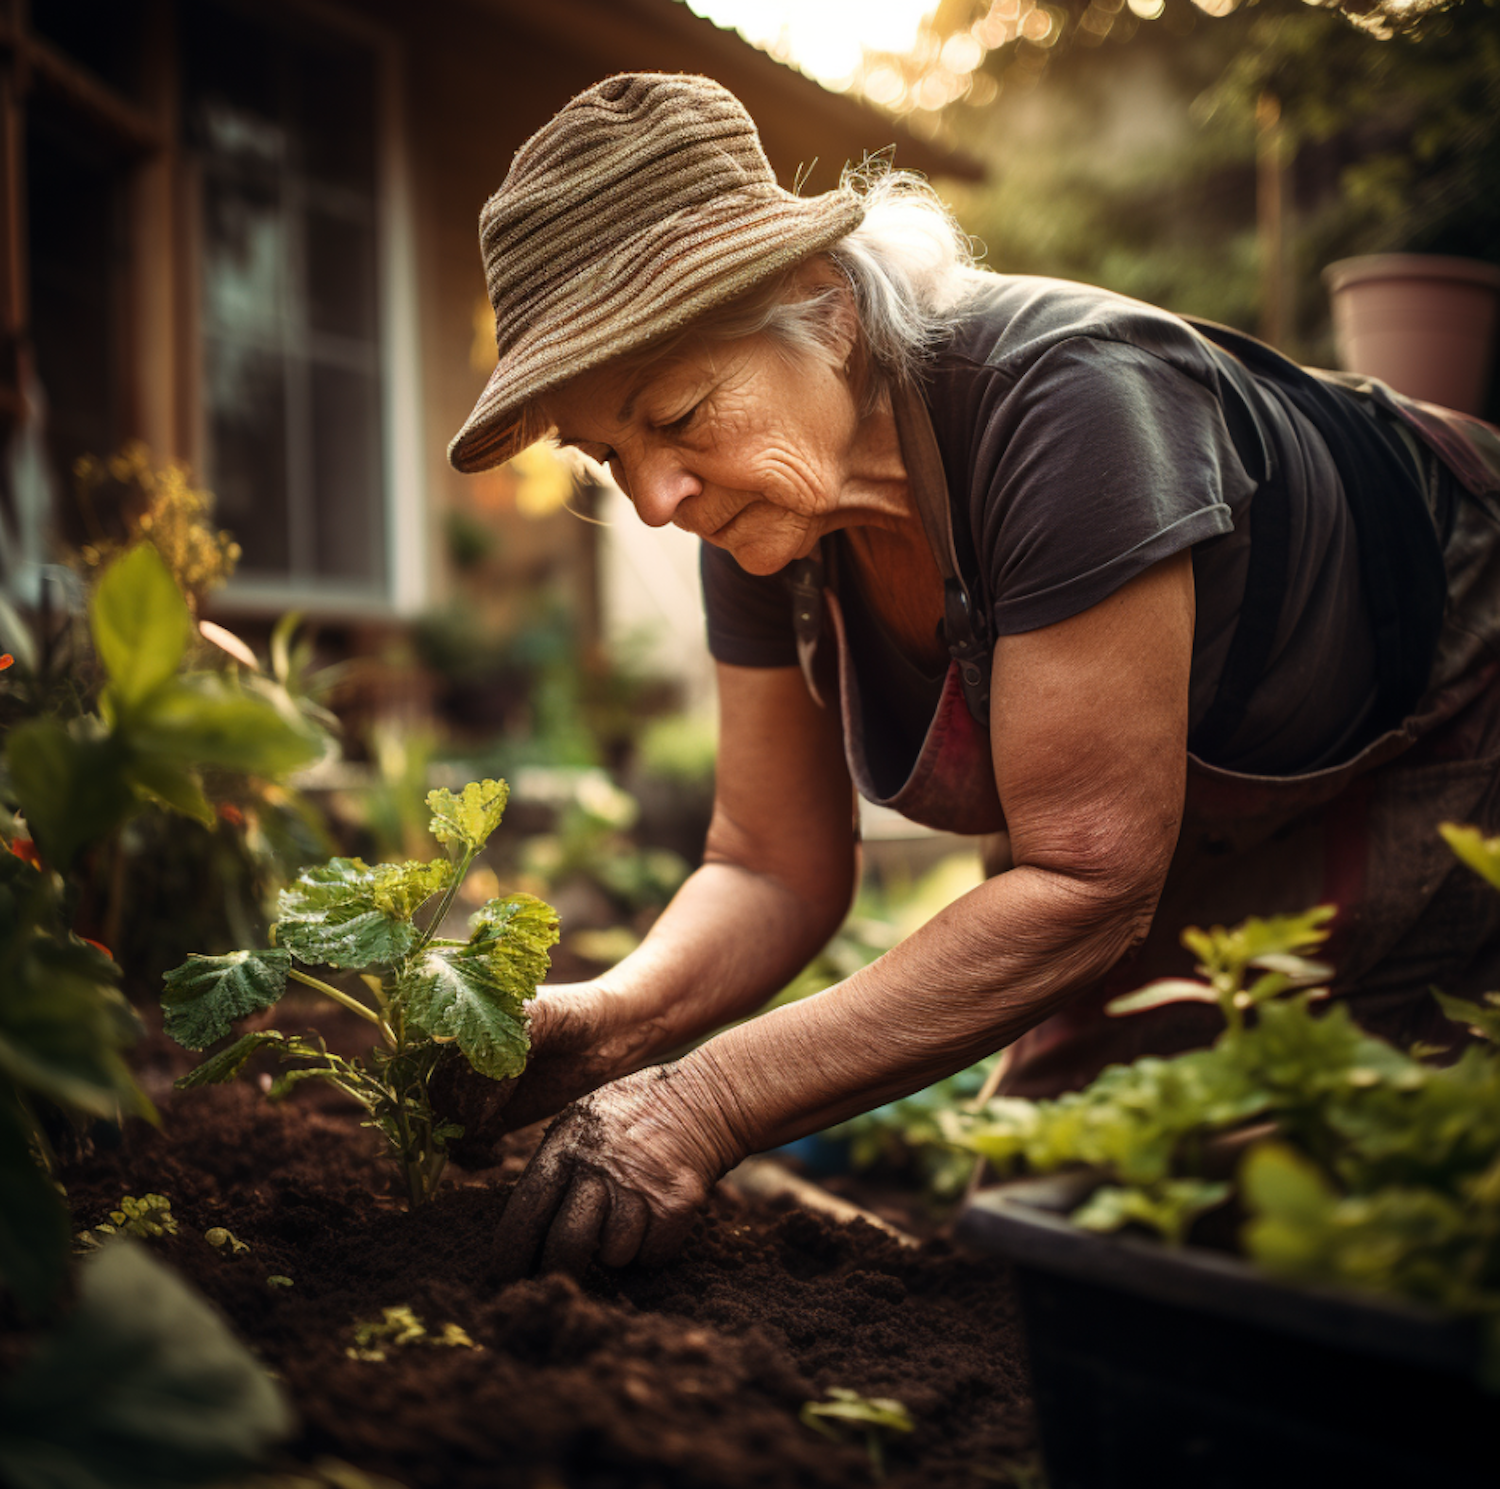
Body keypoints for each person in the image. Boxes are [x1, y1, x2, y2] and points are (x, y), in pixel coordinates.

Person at [443, 72, 1500, 1278]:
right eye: (607, 453)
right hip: (1220, 812)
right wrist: (611, 1020)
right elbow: (768, 864)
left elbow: (1090, 878)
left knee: (1359, 1230)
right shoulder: (760, 511)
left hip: (1461, 708)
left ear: (824, 307)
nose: (652, 498)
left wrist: (703, 1103)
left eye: (677, 412)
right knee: (1051, 1224)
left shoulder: (1072, 404)